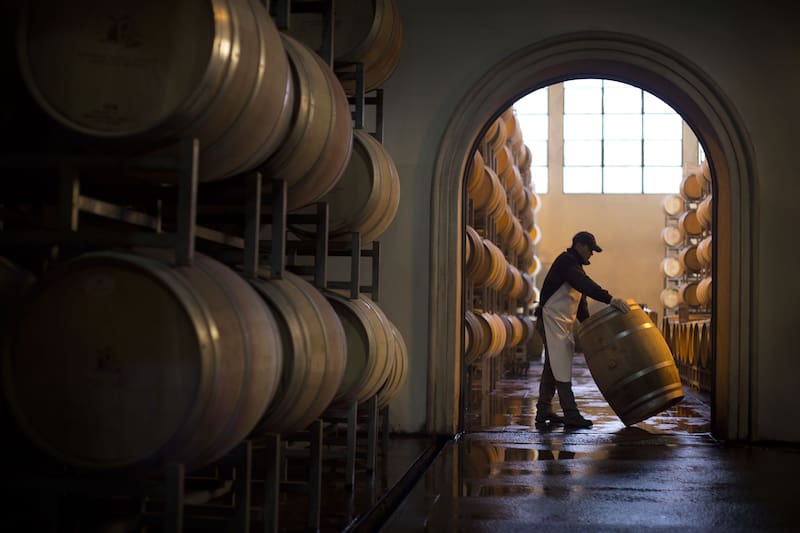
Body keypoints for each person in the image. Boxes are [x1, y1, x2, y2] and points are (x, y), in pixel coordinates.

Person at [534, 231, 630, 428]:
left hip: (558, 323)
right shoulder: (567, 262)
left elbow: (581, 300)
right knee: (559, 364)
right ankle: (571, 413)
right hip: (550, 320)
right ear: (579, 245)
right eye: (590, 249)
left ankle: (543, 411)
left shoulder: (574, 266)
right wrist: (610, 299)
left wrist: (588, 327)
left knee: (553, 366)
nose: (591, 254)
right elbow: (585, 285)